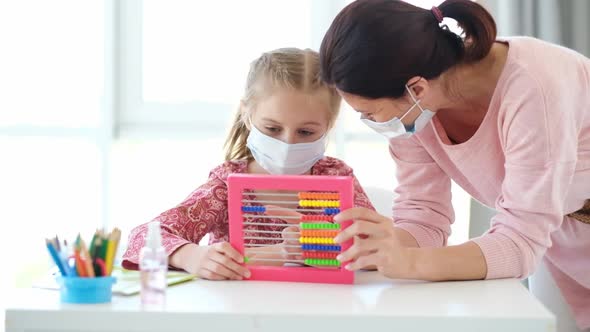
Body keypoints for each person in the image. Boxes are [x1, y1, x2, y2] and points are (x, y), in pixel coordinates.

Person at [319, 0, 589, 330]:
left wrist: (410, 262)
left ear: (416, 88)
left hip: (552, 234)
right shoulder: (414, 110)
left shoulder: (535, 85)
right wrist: (367, 246)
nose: (372, 122)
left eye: (371, 114)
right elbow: (423, 218)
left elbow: (519, 243)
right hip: (556, 237)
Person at [122, 47, 374, 281]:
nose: (287, 143)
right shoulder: (225, 185)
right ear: (247, 113)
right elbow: (143, 237)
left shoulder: (337, 179)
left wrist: (320, 246)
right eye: (272, 128)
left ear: (330, 125)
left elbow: (380, 246)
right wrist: (190, 256)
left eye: (306, 132)